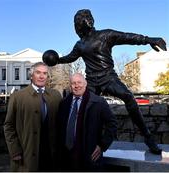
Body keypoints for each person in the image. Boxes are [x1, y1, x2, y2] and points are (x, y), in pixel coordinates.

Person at [47, 9, 167, 155]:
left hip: (108, 77)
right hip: (91, 81)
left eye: (87, 18)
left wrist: (149, 40)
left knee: (128, 97)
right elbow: (71, 57)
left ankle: (148, 138)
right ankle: (80, 143)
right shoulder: (80, 44)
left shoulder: (105, 35)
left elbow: (128, 37)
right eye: (82, 19)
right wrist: (57, 59)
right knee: (81, 109)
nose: (86, 21)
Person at [3, 62, 62, 171]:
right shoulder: (17, 96)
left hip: (51, 154)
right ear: (31, 75)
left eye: (45, 73)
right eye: (38, 72)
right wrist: (15, 150)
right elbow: (8, 126)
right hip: (26, 153)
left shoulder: (56, 95)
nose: (41, 76)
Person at [56, 73, 117, 171]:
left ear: (85, 84)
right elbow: (59, 127)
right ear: (70, 86)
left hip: (88, 156)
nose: (76, 86)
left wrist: (102, 145)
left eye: (79, 82)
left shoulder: (98, 102)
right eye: (73, 83)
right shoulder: (64, 103)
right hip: (66, 156)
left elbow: (112, 124)